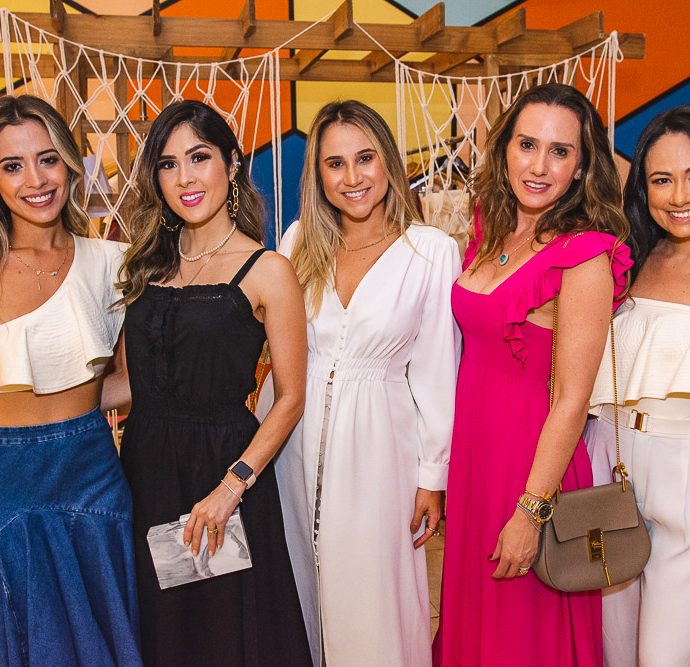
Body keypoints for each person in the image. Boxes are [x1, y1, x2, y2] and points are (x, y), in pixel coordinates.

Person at [103, 100, 312, 666]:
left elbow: (291, 398)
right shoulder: (146, 266)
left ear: (232, 162)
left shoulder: (268, 270)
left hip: (224, 475)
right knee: (162, 630)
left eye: (199, 157)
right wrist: (46, 408)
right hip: (146, 473)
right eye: (168, 164)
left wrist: (231, 487)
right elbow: (132, 383)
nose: (185, 178)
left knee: (222, 632)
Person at [433, 83, 632, 667]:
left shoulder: (585, 256)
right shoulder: (489, 232)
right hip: (474, 464)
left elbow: (572, 399)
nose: (539, 166)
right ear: (505, 150)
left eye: (560, 151)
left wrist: (530, 510)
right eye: (527, 145)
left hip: (530, 469)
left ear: (582, 168)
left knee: (521, 637)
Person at [276, 100, 461, 666]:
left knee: (374, 595)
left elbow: (438, 371)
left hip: (382, 446)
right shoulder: (298, 242)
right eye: (335, 164)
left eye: (365, 158)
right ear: (318, 175)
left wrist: (432, 476)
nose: (352, 177)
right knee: (298, 584)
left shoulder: (430, 252)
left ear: (388, 164)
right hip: (293, 435)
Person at [0, 95, 141, 665]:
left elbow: (131, 381)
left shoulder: (114, 262)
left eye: (48, 159)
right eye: (12, 166)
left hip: (92, 478)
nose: (36, 180)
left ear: (70, 164)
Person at [585, 106, 690, 667]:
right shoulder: (633, 257)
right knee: (614, 641)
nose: (678, 196)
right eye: (662, 180)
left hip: (682, 471)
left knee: (662, 650)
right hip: (613, 461)